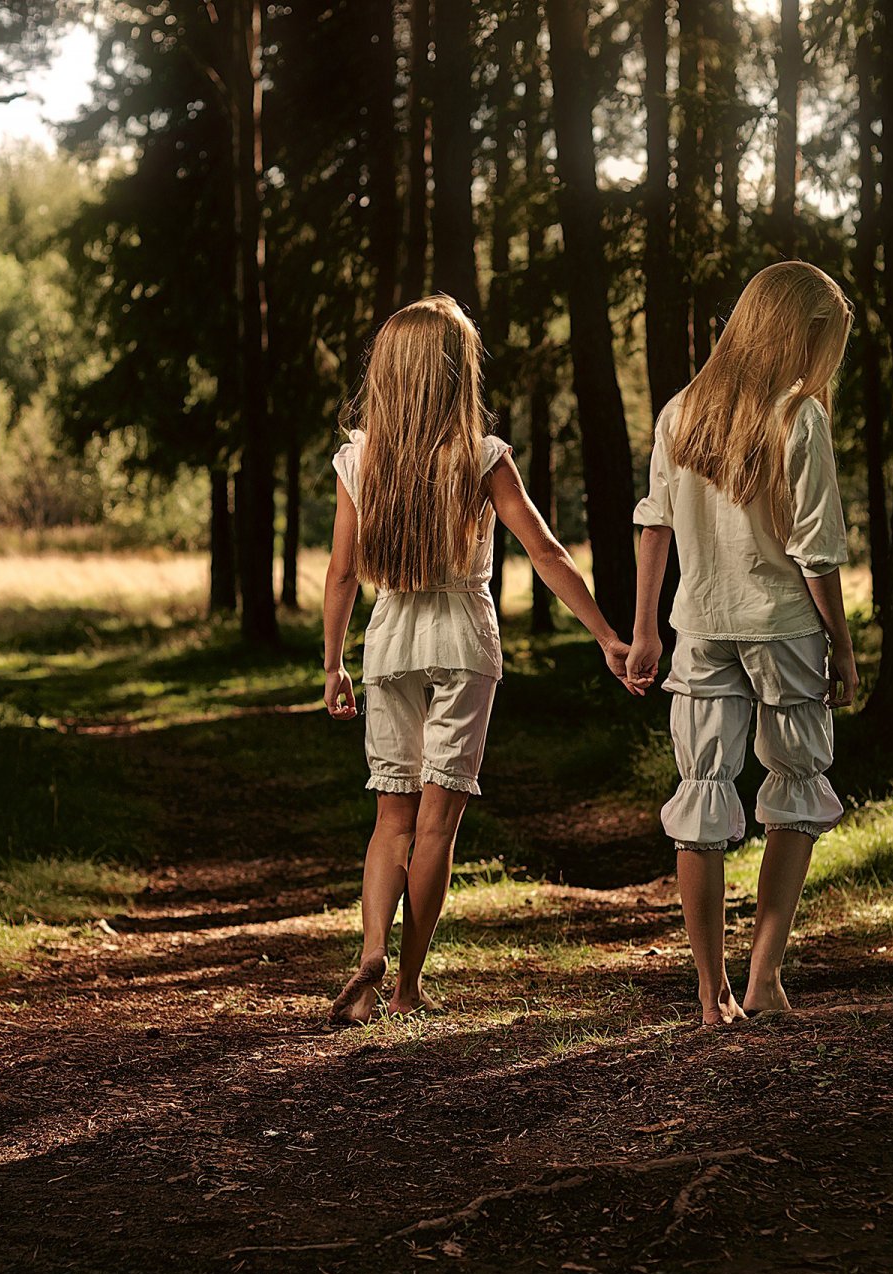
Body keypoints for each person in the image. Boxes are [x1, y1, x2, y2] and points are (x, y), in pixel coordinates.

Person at [323, 295, 631, 1025]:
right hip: (463, 637)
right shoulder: (482, 457)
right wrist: (606, 636)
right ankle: (405, 986)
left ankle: (371, 952)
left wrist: (333, 664)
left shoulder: (359, 457)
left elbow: (341, 574)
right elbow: (547, 553)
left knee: (389, 820)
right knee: (436, 827)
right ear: (456, 373)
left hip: (389, 640)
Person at [625, 261, 860, 1026]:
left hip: (697, 624)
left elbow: (653, 524)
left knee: (702, 796)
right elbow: (816, 554)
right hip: (784, 628)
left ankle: (708, 992)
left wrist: (643, 630)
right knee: (793, 793)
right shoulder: (799, 416)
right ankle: (763, 980)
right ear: (799, 332)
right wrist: (845, 647)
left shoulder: (680, 412)